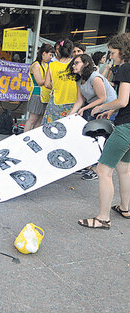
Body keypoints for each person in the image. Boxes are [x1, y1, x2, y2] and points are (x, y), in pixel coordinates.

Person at [78, 33, 130, 229]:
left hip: (125, 127)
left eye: (113, 52)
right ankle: (125, 208)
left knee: (103, 170)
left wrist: (100, 108)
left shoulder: (125, 68)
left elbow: (123, 100)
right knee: (124, 169)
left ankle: (103, 218)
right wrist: (113, 110)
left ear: (123, 51)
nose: (111, 56)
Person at [68, 54, 117, 181]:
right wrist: (71, 114)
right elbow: (79, 101)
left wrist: (84, 109)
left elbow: (103, 98)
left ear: (86, 64)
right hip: (94, 108)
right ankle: (88, 164)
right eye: (73, 63)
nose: (74, 65)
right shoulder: (79, 79)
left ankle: (96, 168)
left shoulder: (95, 77)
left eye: (77, 63)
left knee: (99, 138)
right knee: (89, 136)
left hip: (108, 109)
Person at [43, 39, 77, 123]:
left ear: (59, 51)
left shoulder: (52, 65)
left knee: (52, 127)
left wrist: (55, 88)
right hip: (73, 101)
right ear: (71, 51)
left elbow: (46, 84)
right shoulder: (75, 64)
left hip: (56, 101)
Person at [24, 43, 54, 132]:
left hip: (45, 96)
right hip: (37, 95)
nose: (51, 57)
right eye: (50, 55)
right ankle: (24, 137)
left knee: (41, 119)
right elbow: (39, 81)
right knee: (32, 119)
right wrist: (49, 80)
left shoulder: (46, 65)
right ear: (44, 53)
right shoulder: (36, 65)